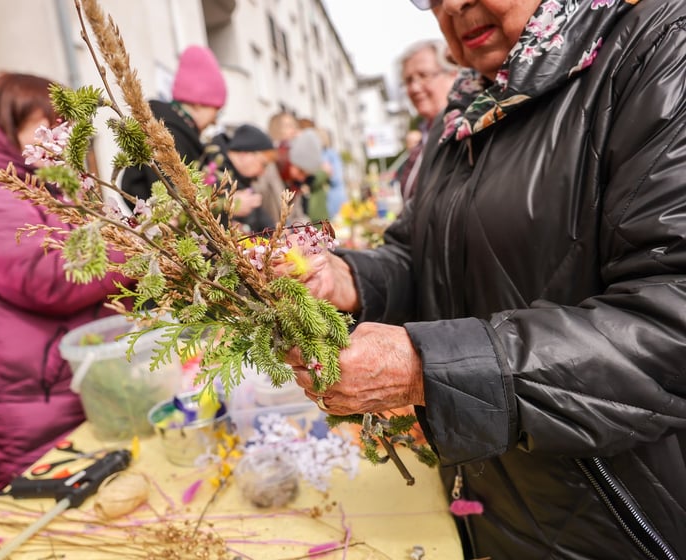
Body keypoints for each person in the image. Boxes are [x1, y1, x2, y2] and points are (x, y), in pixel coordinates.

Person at [284, 0, 686, 558]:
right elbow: (419, 256)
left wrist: (429, 368)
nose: (453, 5)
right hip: (494, 497)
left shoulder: (657, 50)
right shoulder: (467, 112)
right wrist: (344, 278)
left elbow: (672, 322)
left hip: (619, 518)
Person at [0, 72, 130, 494]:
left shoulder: (33, 187)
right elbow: (50, 277)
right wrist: (135, 253)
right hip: (29, 411)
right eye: (48, 126)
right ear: (8, 124)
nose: (60, 138)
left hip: (63, 389)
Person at [119, 45, 227, 206]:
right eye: (216, 111)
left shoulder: (179, 130)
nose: (214, 121)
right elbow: (176, 202)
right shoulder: (169, 135)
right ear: (199, 102)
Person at [393, 38, 457, 202]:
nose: (414, 88)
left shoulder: (470, 132)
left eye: (424, 75)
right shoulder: (424, 140)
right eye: (408, 81)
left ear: (452, 74)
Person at [201, 123, 276, 233]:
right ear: (245, 153)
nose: (263, 172)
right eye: (263, 164)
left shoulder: (242, 180)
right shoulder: (210, 171)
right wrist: (229, 208)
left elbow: (263, 221)